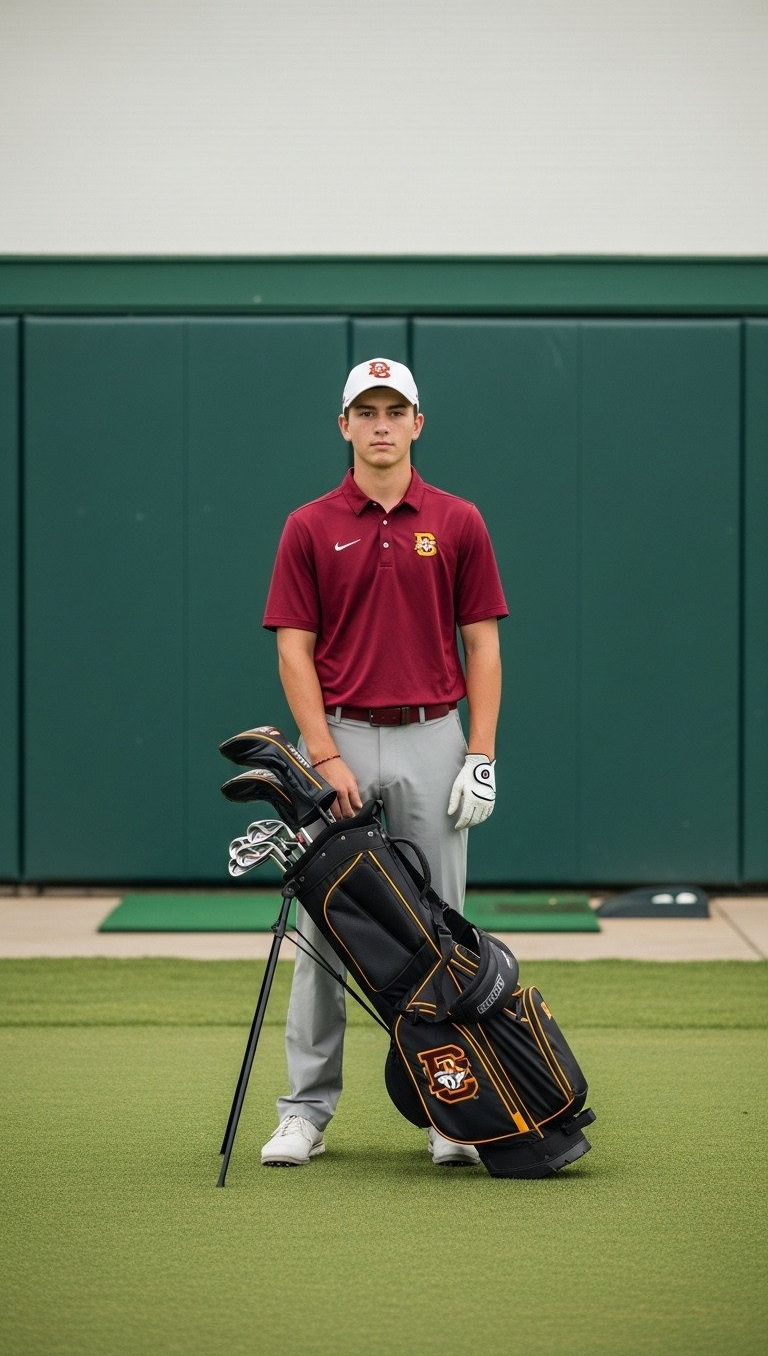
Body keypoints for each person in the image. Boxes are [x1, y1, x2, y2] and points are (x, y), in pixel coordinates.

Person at [260, 357, 508, 1167]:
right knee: (326, 933)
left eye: (393, 411)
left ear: (416, 424)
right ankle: (304, 1112)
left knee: (440, 934)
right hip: (336, 738)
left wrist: (480, 752)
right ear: (344, 426)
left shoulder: (459, 519)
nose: (379, 424)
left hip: (434, 736)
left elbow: (483, 645)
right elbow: (294, 653)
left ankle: (452, 1112)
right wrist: (322, 755)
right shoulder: (308, 524)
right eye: (364, 411)